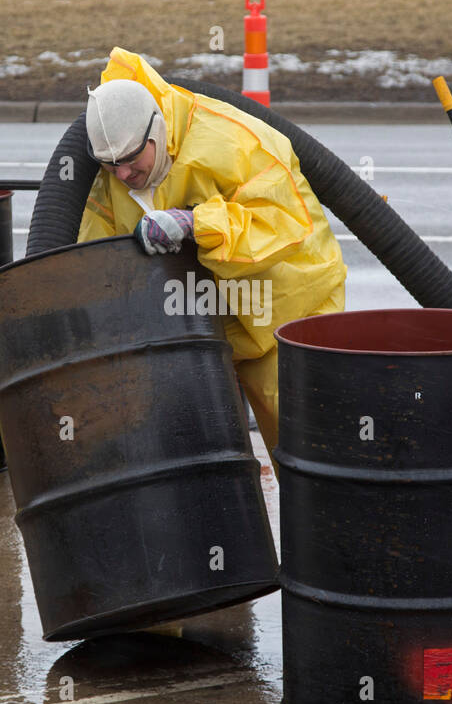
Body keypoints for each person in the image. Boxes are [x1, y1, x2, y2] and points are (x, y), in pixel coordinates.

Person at [80, 48, 347, 454]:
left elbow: (283, 224)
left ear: (155, 132)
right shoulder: (115, 170)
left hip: (288, 318)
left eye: (131, 161)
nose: (122, 174)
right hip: (204, 330)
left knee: (307, 449)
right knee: (209, 462)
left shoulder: (232, 143)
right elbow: (93, 255)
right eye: (109, 164)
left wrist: (196, 224)